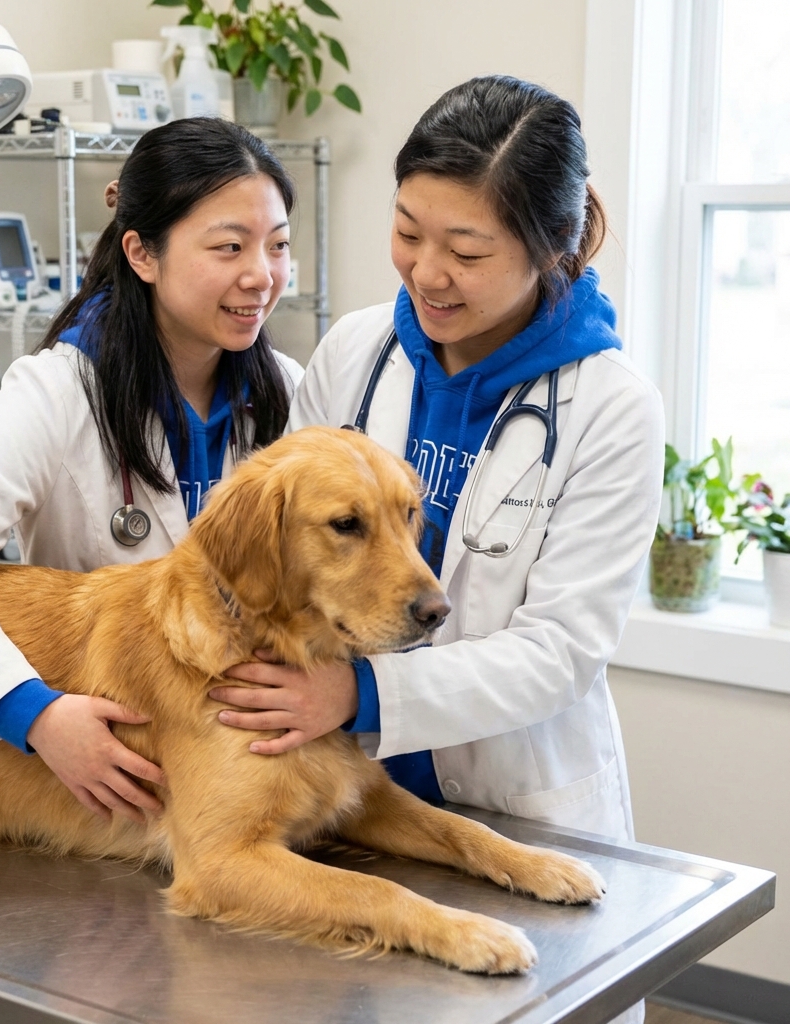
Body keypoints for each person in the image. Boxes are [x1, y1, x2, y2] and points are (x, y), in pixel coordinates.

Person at [211, 77, 663, 852]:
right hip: (339, 790)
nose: (425, 272)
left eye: (467, 251)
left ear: (552, 247)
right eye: (408, 232)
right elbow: (287, 564)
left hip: (511, 800)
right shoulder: (355, 353)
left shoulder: (612, 409)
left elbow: (560, 652)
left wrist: (360, 692)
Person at [0, 117, 303, 825]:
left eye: (278, 246)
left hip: (238, 756)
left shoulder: (288, 393)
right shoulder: (59, 392)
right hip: (108, 768)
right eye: (229, 246)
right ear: (142, 253)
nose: (262, 275)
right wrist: (34, 715)